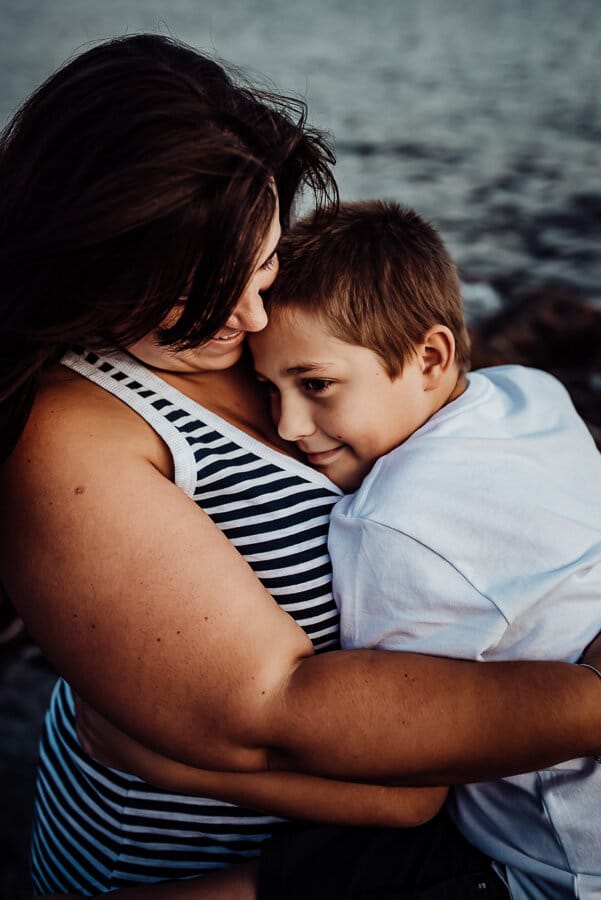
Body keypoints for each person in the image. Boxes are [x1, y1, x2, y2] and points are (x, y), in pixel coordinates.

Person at [1, 34, 601, 900]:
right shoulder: (68, 435)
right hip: (177, 864)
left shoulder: (252, 331)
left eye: (265, 261)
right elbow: (280, 715)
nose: (251, 314)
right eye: (202, 290)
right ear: (92, 258)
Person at [245, 200, 601, 898]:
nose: (288, 424)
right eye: (267, 388)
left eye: (315, 385)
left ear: (430, 357)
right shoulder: (526, 391)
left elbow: (390, 756)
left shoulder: (389, 525)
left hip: (551, 865)